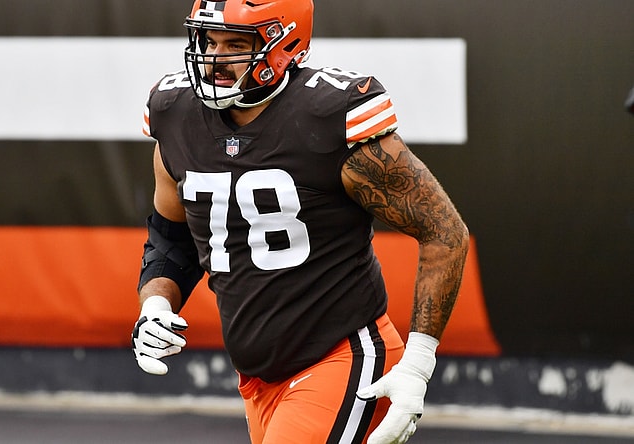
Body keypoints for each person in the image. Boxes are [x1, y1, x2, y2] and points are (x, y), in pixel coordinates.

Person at [132, 0, 469, 442]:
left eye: (236, 44)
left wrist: (419, 364)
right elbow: (173, 238)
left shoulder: (328, 115)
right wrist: (155, 303)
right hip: (259, 381)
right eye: (209, 41)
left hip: (341, 356)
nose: (215, 59)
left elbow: (444, 233)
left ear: (284, 45)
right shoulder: (175, 114)